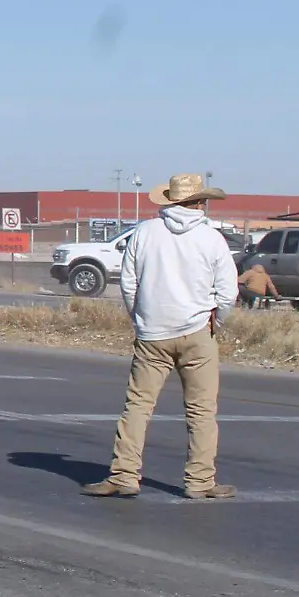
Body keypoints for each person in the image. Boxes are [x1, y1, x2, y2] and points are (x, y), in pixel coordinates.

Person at [83, 174, 239, 500]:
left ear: (170, 201)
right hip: (198, 331)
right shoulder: (212, 239)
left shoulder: (144, 233)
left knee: (138, 406)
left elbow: (128, 283)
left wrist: (140, 317)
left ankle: (124, 474)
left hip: (152, 333)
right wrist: (216, 323)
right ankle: (199, 481)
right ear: (200, 202)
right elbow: (227, 293)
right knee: (201, 411)